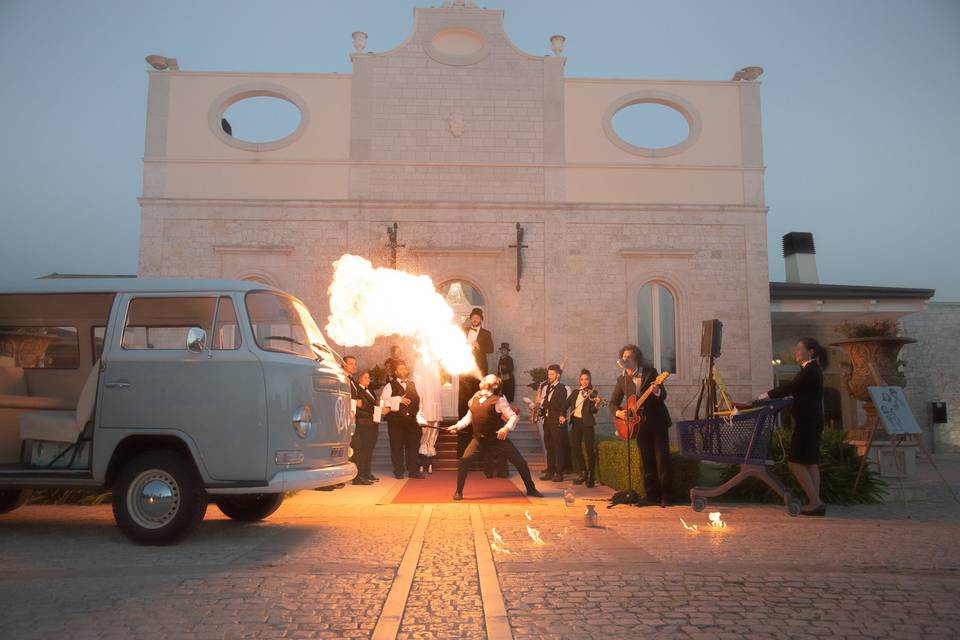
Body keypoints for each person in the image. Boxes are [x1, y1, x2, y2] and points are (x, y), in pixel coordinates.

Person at [758, 337, 828, 516]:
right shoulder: (811, 370)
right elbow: (797, 390)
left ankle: (815, 502)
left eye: (799, 349)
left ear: (810, 351)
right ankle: (815, 501)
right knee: (810, 462)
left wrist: (766, 395)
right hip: (812, 421)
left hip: (807, 422)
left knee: (795, 462)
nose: (796, 352)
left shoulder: (810, 370)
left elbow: (791, 387)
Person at [447, 374, 543, 500]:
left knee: (521, 463)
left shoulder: (499, 400)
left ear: (495, 385)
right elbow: (468, 418)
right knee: (464, 460)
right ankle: (459, 492)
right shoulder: (474, 399)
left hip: (497, 440)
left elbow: (513, 416)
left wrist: (506, 428)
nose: (484, 378)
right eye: (484, 377)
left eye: (488, 378)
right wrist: (457, 426)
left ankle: (531, 489)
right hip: (479, 440)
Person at [609, 345, 672, 507]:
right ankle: (651, 496)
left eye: (629, 356)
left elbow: (663, 395)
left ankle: (666, 496)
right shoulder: (622, 380)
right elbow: (613, 403)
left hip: (657, 421)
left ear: (636, 358)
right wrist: (620, 413)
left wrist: (657, 390)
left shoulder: (651, 372)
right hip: (638, 425)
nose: (625, 359)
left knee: (662, 458)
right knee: (646, 460)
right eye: (624, 356)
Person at [457, 308, 493, 457]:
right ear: (470, 319)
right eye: (473, 318)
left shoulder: (486, 334)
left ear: (481, 319)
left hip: (479, 373)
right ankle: (462, 451)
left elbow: (490, 349)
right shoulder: (463, 331)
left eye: (477, 318)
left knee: (479, 404)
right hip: (465, 373)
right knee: (464, 403)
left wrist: (480, 347)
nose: (475, 320)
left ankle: (481, 450)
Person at [381, 359, 425, 479]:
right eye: (400, 369)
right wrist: (399, 399)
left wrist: (420, 416)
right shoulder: (390, 385)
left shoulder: (413, 384)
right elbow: (383, 401)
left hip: (412, 420)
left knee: (413, 446)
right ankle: (398, 471)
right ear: (396, 372)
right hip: (396, 421)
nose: (403, 370)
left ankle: (413, 471)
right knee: (396, 446)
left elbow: (419, 401)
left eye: (405, 368)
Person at [567, 369, 602, 487]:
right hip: (576, 422)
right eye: (582, 379)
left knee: (589, 450)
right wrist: (562, 415)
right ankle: (583, 473)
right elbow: (566, 404)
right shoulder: (576, 392)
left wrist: (596, 404)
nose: (584, 381)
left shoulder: (593, 392)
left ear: (590, 380)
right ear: (579, 380)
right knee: (575, 447)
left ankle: (591, 477)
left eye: (586, 379)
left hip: (587, 423)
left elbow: (593, 410)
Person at [414, 348, 444, 474]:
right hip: (424, 402)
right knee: (424, 431)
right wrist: (421, 400)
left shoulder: (436, 363)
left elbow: (439, 380)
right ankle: (422, 461)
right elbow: (417, 381)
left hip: (434, 401)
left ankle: (430, 459)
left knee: (433, 430)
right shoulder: (419, 361)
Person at [539, 364, 569, 482]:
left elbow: (558, 406)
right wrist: (540, 410)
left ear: (558, 375)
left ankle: (559, 473)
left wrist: (543, 402)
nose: (549, 376)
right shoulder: (547, 388)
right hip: (547, 421)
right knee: (549, 447)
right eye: (548, 374)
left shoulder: (562, 388)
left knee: (558, 447)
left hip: (556, 422)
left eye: (552, 374)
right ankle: (550, 471)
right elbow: (547, 405)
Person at [353, 370, 380, 484]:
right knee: (362, 450)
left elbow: (371, 404)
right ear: (359, 379)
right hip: (363, 424)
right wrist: (376, 409)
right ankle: (360, 475)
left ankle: (367, 472)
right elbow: (361, 406)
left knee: (369, 449)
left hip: (372, 423)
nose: (368, 380)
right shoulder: (357, 390)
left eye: (369, 378)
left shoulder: (371, 391)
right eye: (366, 377)